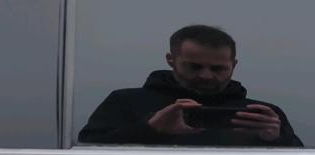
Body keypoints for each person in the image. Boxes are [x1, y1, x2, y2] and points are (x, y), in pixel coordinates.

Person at [79, 24, 302, 147]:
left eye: (218, 68)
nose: (206, 75)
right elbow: (88, 151)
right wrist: (150, 129)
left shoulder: (261, 114)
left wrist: (275, 139)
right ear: (171, 60)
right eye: (194, 67)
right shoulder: (125, 102)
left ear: (233, 65)